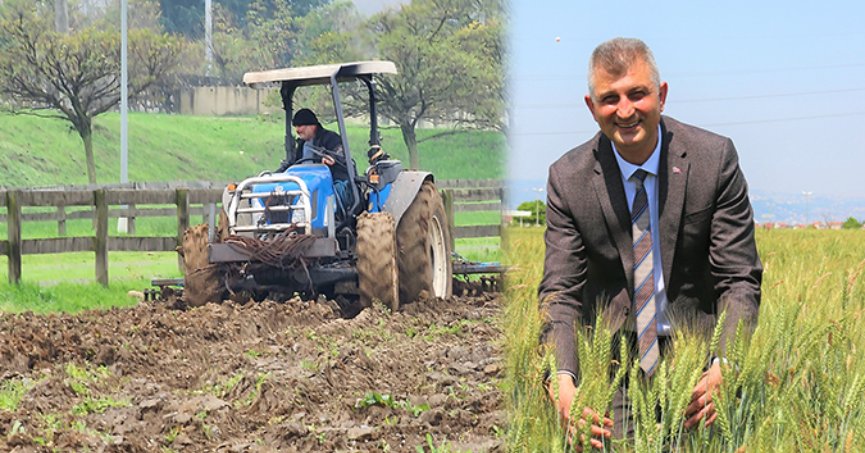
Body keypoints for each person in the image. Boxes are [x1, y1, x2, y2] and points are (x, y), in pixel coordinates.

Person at [538, 37, 762, 446]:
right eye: (609, 99)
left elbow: (739, 279)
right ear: (591, 107)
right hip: (612, 362)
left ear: (661, 95)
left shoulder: (715, 160)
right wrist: (563, 378)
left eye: (637, 94)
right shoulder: (567, 180)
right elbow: (560, 294)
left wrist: (724, 364)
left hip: (698, 355)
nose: (625, 111)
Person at [276, 108, 353, 210]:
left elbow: (340, 153)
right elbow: (292, 163)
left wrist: (332, 158)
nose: (297, 130)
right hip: (304, 184)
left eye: (300, 126)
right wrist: (275, 175)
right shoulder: (302, 144)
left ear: (312, 126)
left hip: (328, 182)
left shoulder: (330, 138)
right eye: (295, 127)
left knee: (335, 193)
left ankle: (332, 217)